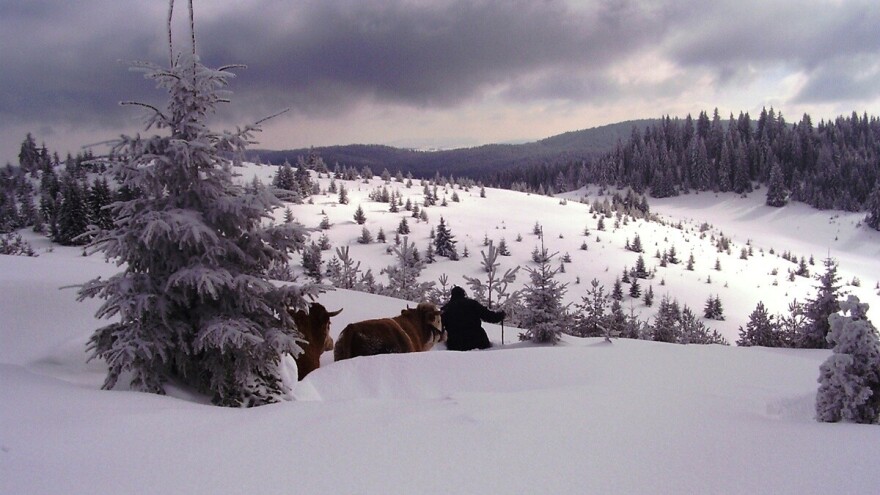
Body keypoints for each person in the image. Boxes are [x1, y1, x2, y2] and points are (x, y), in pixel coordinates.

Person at [441, 286, 505, 351]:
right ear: (463, 294)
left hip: (455, 344)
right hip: (478, 341)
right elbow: (489, 316)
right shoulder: (472, 304)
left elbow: (440, 327)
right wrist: (500, 315)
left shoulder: (446, 309)